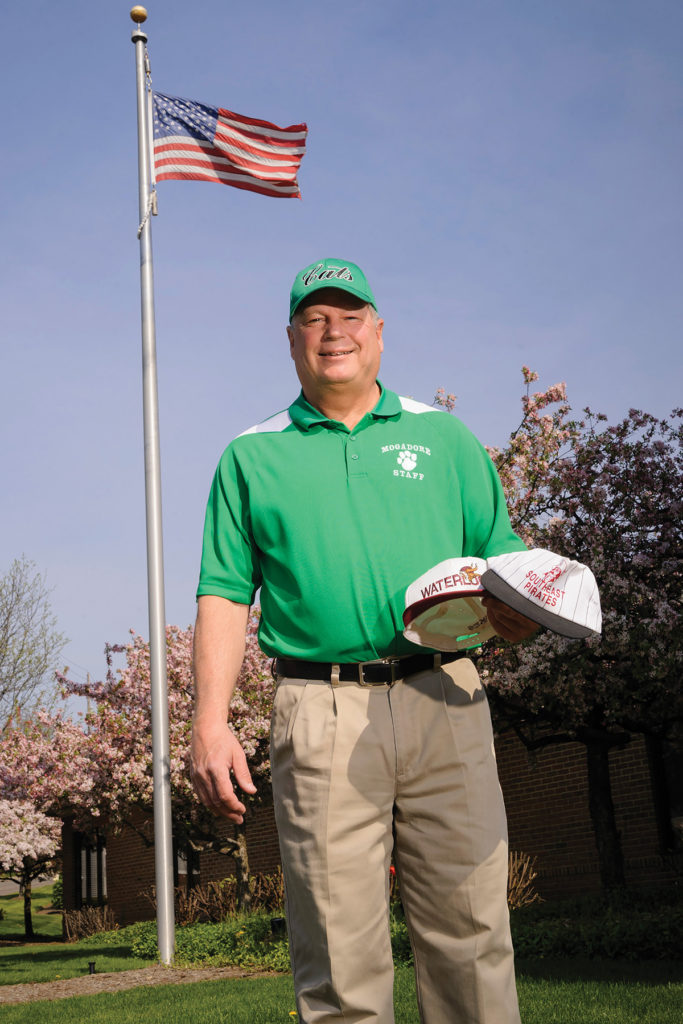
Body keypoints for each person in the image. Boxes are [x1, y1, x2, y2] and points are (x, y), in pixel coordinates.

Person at [191, 258, 538, 1024]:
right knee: (338, 955)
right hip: (319, 708)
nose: (333, 332)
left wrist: (516, 609)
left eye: (350, 316)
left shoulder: (444, 437)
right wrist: (209, 724)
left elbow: (502, 556)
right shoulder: (252, 455)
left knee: (473, 937)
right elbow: (222, 590)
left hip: (446, 695)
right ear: (290, 340)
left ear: (379, 332)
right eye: (314, 318)